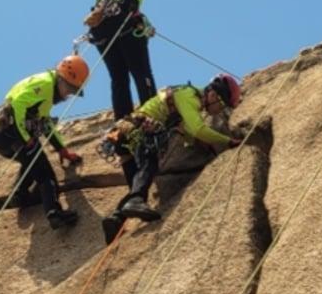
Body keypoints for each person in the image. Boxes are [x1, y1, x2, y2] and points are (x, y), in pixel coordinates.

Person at [98, 74, 243, 244]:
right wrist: (228, 141)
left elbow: (189, 131)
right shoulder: (189, 96)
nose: (220, 110)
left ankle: (116, 220)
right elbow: (198, 129)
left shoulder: (186, 97)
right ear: (213, 95)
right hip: (140, 129)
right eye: (222, 105)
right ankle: (135, 201)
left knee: (140, 182)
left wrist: (203, 144)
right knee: (149, 165)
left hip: (126, 134)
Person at [0, 55, 88, 229]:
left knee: (32, 162)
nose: (68, 95)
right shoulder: (44, 84)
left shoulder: (46, 91)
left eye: (72, 92)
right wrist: (26, 138)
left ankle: (20, 194)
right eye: (69, 88)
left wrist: (62, 150)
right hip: (11, 132)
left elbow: (44, 123)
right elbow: (18, 106)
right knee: (46, 176)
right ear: (61, 77)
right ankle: (54, 213)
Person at [84, 0, 175, 120]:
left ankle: (123, 123)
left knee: (119, 77)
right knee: (141, 71)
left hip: (102, 21)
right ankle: (153, 117)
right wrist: (135, 12)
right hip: (120, 11)